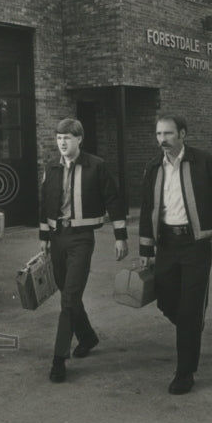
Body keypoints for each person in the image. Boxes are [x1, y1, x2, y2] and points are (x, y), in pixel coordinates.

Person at [137, 113, 212, 395]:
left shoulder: (204, 162)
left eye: (168, 134)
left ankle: (185, 372)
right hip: (166, 245)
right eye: (158, 135)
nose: (162, 140)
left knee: (188, 311)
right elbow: (147, 210)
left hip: (197, 246)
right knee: (166, 301)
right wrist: (146, 250)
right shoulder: (153, 167)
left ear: (183, 134)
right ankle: (191, 323)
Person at [38, 118, 128, 383]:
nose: (62, 143)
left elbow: (114, 199)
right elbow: (44, 203)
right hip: (57, 238)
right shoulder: (51, 167)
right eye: (58, 138)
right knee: (69, 296)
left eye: (67, 138)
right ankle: (87, 337)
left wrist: (120, 236)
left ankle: (58, 359)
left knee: (69, 299)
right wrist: (43, 236)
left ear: (79, 139)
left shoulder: (96, 166)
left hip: (81, 239)